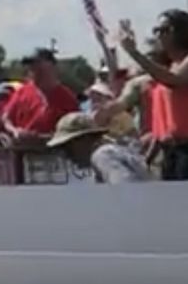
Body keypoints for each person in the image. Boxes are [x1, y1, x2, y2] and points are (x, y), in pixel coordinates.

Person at [118, 11, 188, 180]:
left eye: (165, 30)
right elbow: (162, 123)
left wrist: (134, 53)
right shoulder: (170, 67)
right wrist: (148, 158)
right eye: (156, 30)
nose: (159, 35)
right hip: (170, 151)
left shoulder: (178, 69)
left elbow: (175, 80)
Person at [47, 113, 151, 184]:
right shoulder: (108, 153)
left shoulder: (103, 156)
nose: (66, 153)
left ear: (85, 139)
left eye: (67, 146)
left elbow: (128, 192)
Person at [3, 48, 80, 142]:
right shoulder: (22, 92)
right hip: (21, 148)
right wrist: (15, 131)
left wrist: (40, 138)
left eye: (38, 64)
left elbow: (74, 133)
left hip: (53, 149)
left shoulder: (68, 99)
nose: (33, 69)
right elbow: (6, 119)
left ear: (52, 66)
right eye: (31, 66)